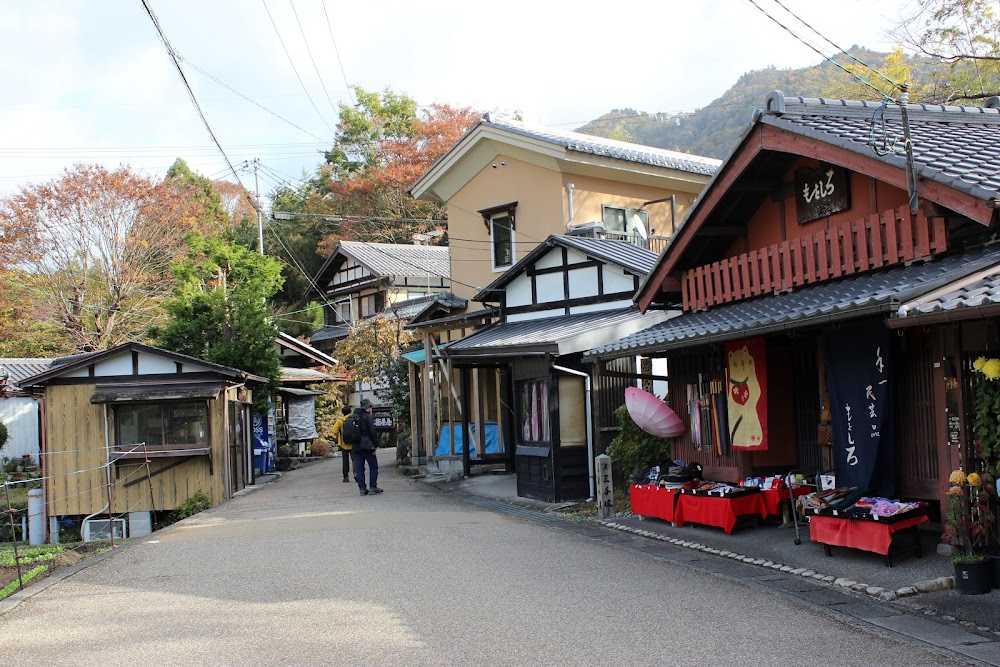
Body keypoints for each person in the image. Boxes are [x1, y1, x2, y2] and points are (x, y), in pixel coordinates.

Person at [351, 398, 381, 495]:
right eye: (371, 407)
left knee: (359, 468)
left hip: (355, 446)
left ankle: (362, 489)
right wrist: (375, 445)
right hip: (367, 446)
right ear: (368, 408)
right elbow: (372, 432)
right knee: (373, 466)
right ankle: (373, 486)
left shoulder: (353, 417)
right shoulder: (367, 417)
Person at [331, 405, 353, 482]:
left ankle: (346, 476)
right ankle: (357, 473)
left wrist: (339, 435)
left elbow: (334, 431)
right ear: (350, 412)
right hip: (354, 443)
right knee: (356, 460)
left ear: (342, 413)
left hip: (343, 443)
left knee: (345, 461)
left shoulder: (340, 421)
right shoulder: (354, 418)